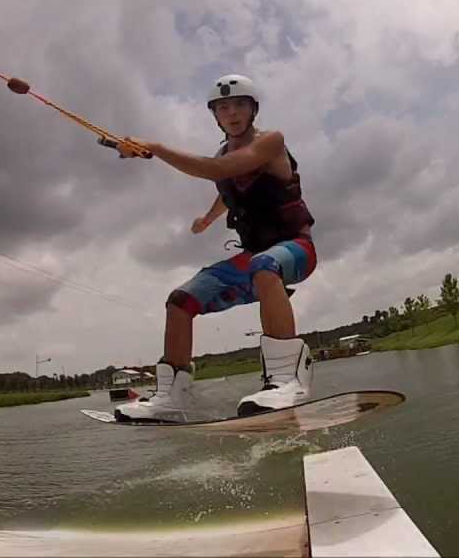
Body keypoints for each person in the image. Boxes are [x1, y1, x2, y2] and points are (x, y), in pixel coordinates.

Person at [111, 74, 317, 422]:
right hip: (253, 260)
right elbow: (227, 189)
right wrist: (207, 219)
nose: (232, 113)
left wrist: (156, 149)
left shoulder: (271, 142)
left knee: (265, 264)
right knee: (180, 300)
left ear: (253, 110)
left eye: (239, 105)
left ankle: (287, 380)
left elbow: (217, 170)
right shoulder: (225, 153)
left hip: (295, 248)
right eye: (223, 108)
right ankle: (171, 399)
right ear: (215, 116)